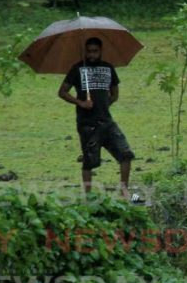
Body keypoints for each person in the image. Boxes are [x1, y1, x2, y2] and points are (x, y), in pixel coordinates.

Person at [58, 37, 135, 199]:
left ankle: (124, 191)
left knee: (126, 154)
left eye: (95, 51)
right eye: (88, 51)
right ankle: (88, 196)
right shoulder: (77, 69)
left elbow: (115, 94)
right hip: (87, 124)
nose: (91, 55)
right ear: (85, 51)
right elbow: (62, 92)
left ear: (100, 51)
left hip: (107, 121)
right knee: (89, 161)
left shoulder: (108, 68)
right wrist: (80, 102)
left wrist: (106, 103)